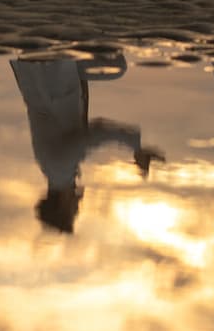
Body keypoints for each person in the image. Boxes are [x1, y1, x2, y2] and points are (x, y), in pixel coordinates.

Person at [9, 52, 163, 233]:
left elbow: (97, 133)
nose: (79, 205)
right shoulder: (54, 170)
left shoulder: (60, 169)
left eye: (74, 211)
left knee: (116, 66)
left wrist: (135, 145)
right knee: (115, 68)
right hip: (49, 72)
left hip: (49, 67)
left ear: (63, 206)